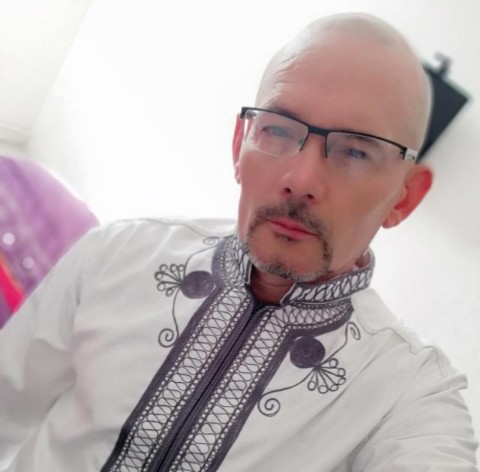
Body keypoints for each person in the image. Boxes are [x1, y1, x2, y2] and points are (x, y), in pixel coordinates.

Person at [0, 12, 478, 472]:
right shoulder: (116, 255)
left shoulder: (406, 394)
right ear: (239, 144)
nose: (301, 180)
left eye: (355, 151)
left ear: (404, 197)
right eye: (278, 130)